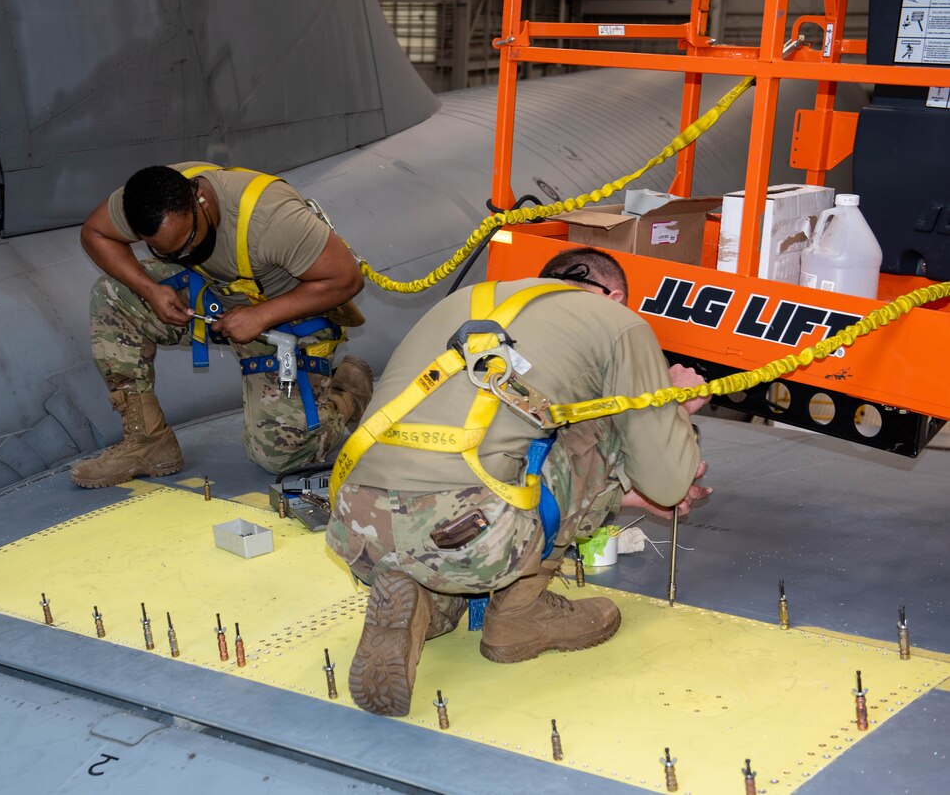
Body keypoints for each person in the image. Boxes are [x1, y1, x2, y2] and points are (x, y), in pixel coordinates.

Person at [325, 247, 711, 716]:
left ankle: (424, 600)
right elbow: (669, 482)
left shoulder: (470, 299)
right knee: (607, 423)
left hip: (357, 523)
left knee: (516, 448)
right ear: (616, 296)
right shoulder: (617, 321)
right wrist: (672, 409)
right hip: (467, 528)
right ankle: (519, 617)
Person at [70, 162, 373, 488]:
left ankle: (346, 395)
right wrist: (151, 290)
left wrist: (261, 315)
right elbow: (95, 232)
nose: (182, 255)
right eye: (165, 252)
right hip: (212, 299)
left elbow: (346, 279)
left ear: (199, 200)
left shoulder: (270, 220)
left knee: (279, 456)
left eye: (187, 243)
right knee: (112, 295)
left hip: (286, 317)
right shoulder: (149, 199)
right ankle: (148, 443)